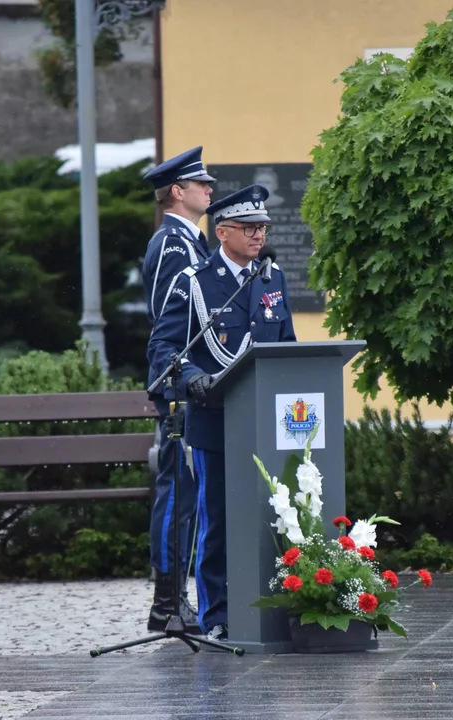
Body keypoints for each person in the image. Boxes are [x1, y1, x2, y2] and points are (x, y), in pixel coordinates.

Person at [147, 184, 296, 641]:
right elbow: (164, 347)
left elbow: (286, 345)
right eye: (250, 228)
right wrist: (190, 377)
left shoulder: (272, 279)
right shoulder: (195, 282)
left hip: (268, 424)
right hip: (216, 421)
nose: (259, 236)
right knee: (219, 522)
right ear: (224, 231)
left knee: (278, 517)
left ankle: (279, 606)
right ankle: (218, 617)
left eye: (263, 228)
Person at [140, 146, 216, 633]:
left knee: (185, 494)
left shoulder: (191, 241)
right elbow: (170, 325)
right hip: (178, 389)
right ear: (177, 191)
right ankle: (168, 604)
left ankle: (175, 601)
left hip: (188, 388)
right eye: (201, 184)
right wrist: (179, 378)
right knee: (176, 495)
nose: (210, 189)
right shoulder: (174, 244)